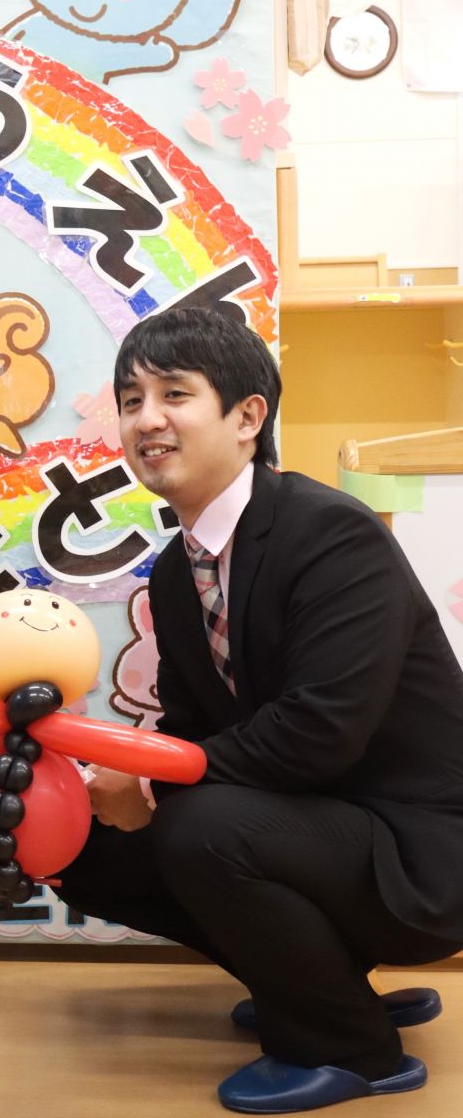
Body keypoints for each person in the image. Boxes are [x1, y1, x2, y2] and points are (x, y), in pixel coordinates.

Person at [55, 307, 463, 1114]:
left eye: (175, 393)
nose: (147, 419)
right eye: (131, 399)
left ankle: (352, 1048)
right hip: (323, 824)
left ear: (249, 416)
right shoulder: (178, 573)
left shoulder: (328, 532)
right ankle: (318, 985)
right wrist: (113, 784)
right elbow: (189, 730)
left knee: (199, 826)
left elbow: (319, 731)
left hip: (423, 850)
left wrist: (154, 786)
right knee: (85, 848)